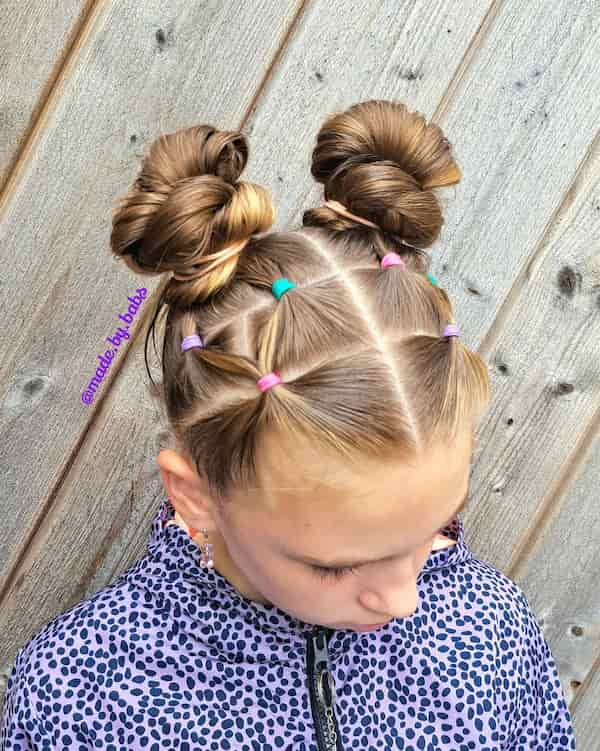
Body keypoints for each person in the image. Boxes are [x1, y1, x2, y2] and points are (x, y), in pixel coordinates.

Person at [1, 99, 576, 750]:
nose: (402, 599)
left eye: (430, 530)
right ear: (196, 496)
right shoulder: (86, 691)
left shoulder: (482, 628)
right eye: (337, 566)